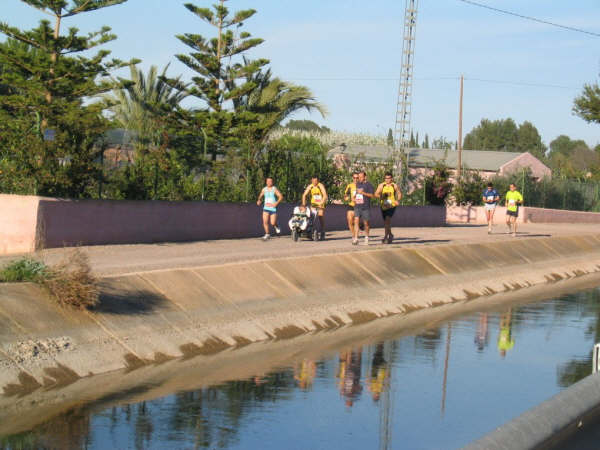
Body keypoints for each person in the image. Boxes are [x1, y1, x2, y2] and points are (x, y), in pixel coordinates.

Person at [375, 172, 402, 244]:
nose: (387, 180)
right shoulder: (381, 185)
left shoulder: (394, 186)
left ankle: (385, 237)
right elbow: (376, 194)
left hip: (392, 205)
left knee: (387, 220)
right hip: (383, 206)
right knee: (386, 223)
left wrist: (397, 200)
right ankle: (390, 234)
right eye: (386, 178)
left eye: (389, 178)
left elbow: (399, 194)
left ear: (391, 178)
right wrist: (381, 196)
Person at [352, 171, 375, 245]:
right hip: (357, 206)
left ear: (365, 177)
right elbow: (356, 193)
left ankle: (366, 238)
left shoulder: (369, 185)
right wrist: (354, 198)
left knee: (366, 223)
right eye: (359, 177)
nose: (359, 178)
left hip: (365, 207)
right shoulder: (358, 184)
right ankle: (356, 238)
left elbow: (372, 195)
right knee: (356, 221)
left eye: (361, 177)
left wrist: (363, 193)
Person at [302, 176, 328, 240]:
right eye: (313, 181)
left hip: (320, 203)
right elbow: (304, 195)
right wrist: (303, 204)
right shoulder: (310, 186)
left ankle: (322, 231)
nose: (314, 182)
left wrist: (321, 203)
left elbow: (325, 195)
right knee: (311, 217)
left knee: (320, 216)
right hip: (313, 204)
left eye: (316, 181)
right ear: (311, 180)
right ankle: (309, 232)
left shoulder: (320, 185)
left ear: (318, 180)